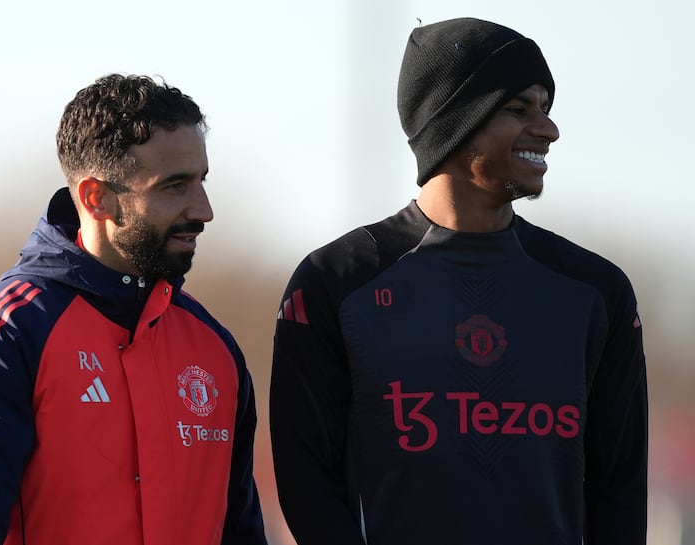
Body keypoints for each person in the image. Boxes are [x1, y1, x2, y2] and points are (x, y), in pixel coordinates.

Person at [270, 17, 647, 545]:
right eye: (519, 109)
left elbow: (621, 492)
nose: (548, 129)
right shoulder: (335, 281)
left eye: (546, 108)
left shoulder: (595, 290)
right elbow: (306, 477)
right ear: (453, 121)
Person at [0, 74, 268, 545]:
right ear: (96, 197)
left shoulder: (214, 348)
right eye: (174, 186)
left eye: (201, 181)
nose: (203, 209)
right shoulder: (2, 337)